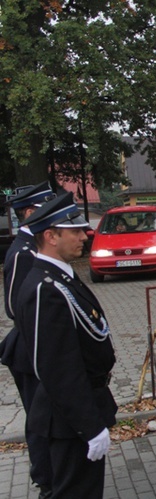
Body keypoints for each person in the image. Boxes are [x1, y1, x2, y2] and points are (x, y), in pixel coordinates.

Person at [15, 192, 116, 499]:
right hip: (69, 419)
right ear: (50, 236)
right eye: (73, 230)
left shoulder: (60, 277)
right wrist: (89, 427)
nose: (84, 235)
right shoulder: (45, 288)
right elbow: (59, 368)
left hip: (83, 407)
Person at [0, 182, 56, 498]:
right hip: (29, 347)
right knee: (39, 417)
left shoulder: (34, 246)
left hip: (39, 345)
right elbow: (14, 306)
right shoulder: (22, 252)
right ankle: (45, 479)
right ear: (33, 212)